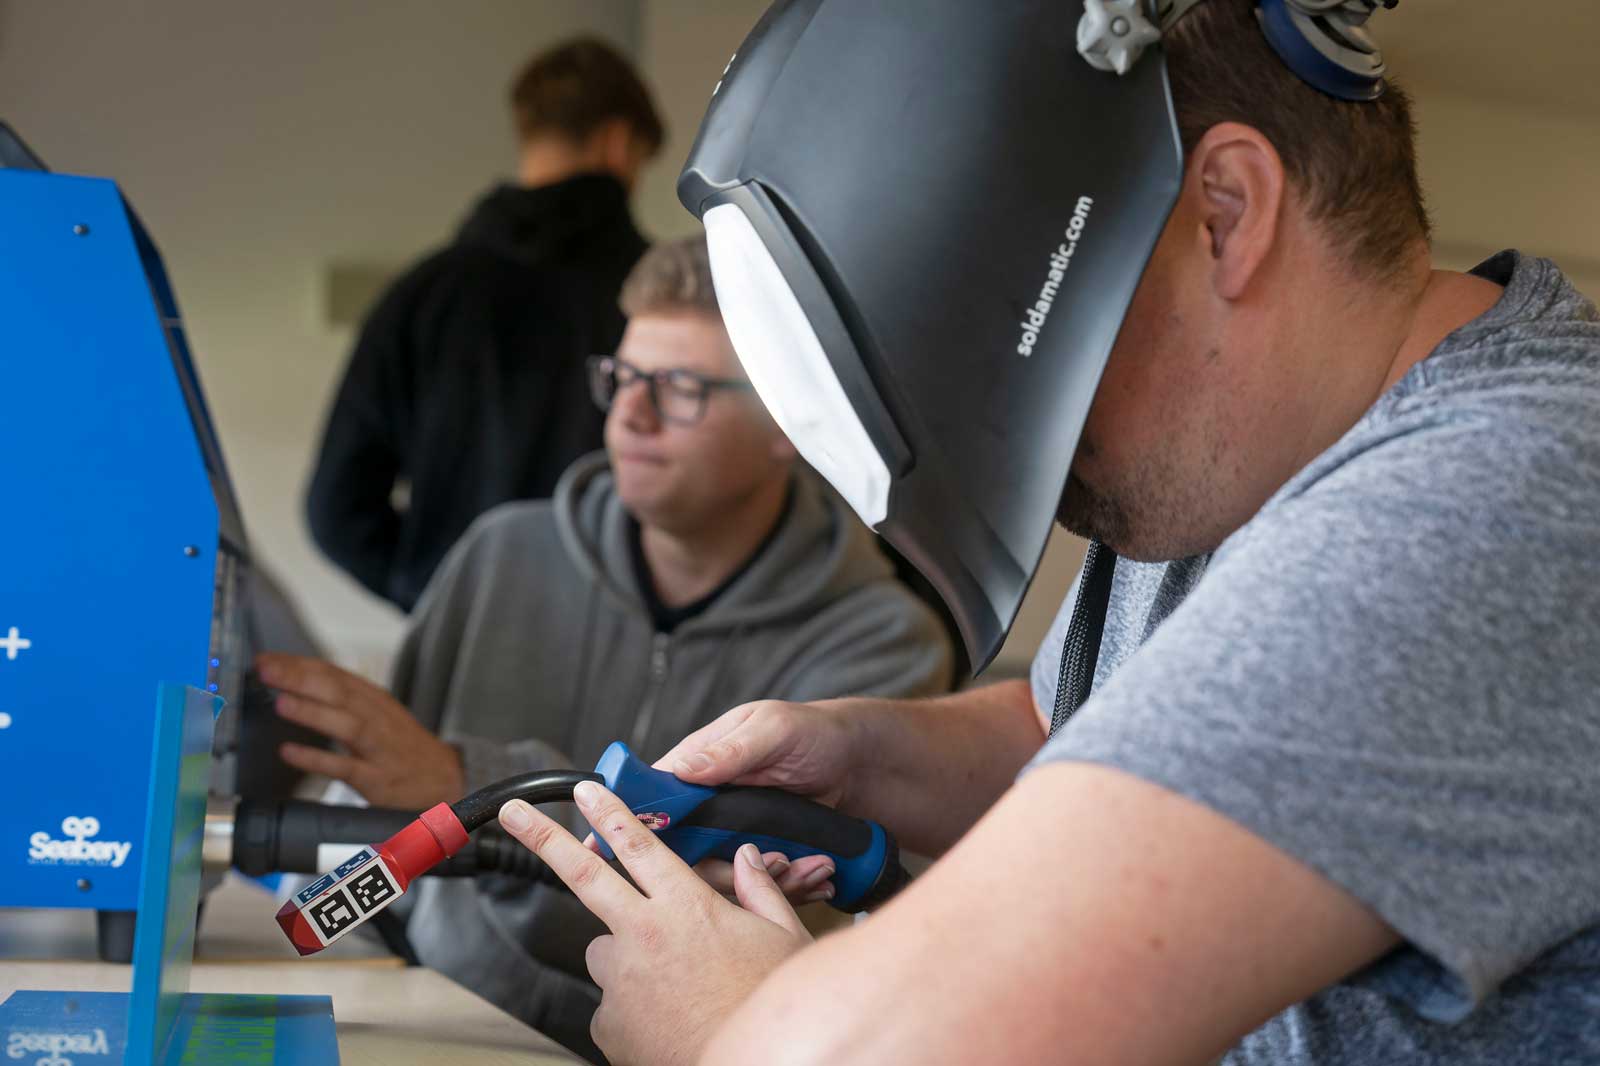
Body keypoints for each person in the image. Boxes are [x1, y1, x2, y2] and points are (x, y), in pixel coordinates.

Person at [487, 2, 1600, 1064]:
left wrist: (729, 1026)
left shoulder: (1494, 498)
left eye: (1035, 390)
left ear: (1224, 212)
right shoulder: (1255, 461)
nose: (1043, 458)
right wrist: (870, 758)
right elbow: (1081, 727)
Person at [258, 234, 953, 1061]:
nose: (630, 413)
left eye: (681, 388)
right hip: (428, 1026)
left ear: (791, 421)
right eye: (621, 377)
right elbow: (360, 836)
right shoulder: (496, 557)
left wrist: (463, 781)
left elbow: (800, 957)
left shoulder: (883, 644)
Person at [306, 37, 661, 612]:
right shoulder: (659, 302)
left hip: (457, 658)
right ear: (619, 143)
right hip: (622, 637)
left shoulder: (422, 294)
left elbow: (336, 511)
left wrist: (435, 596)